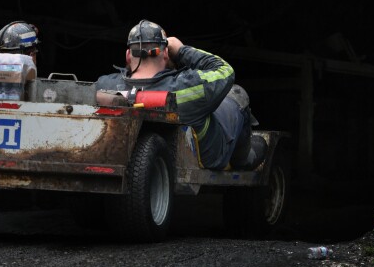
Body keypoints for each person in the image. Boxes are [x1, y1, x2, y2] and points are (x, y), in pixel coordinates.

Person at [96, 19, 266, 170]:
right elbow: (225, 71)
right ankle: (243, 159)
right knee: (238, 94)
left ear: (127, 55)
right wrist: (182, 50)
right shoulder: (185, 86)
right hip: (208, 157)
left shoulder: (104, 86)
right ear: (165, 53)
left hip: (134, 154)